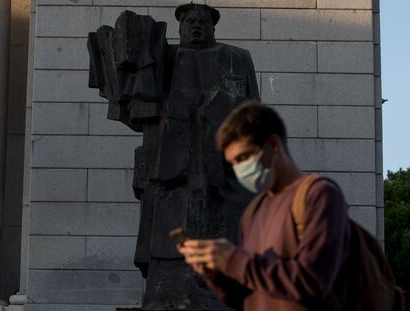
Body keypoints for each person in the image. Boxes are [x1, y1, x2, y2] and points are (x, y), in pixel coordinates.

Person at [88, 3, 259, 309]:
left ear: (212, 27)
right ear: (179, 27)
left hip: (220, 173)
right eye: (190, 21)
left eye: (202, 21)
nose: (196, 26)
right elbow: (137, 109)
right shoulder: (163, 59)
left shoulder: (237, 58)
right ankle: (168, 294)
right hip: (169, 170)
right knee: (167, 241)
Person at [178, 101, 351, 310]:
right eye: (233, 164)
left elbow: (313, 283)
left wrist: (234, 259)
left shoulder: (319, 194)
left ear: (273, 145)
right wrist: (217, 275)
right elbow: (247, 298)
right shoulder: (253, 211)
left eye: (244, 157)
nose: (241, 169)